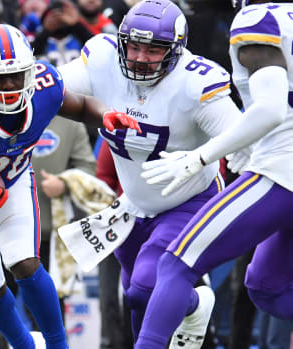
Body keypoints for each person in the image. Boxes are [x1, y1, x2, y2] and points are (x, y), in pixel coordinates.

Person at [0, 23, 140, 349]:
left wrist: (105, 114)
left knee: (24, 260)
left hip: (13, 182)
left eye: (17, 75)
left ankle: (57, 345)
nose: (9, 86)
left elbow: (79, 106)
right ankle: (22, 345)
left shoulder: (44, 86)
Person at [56, 0, 244, 346]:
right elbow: (49, 87)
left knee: (147, 284)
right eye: (135, 46)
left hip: (189, 199)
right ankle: (191, 308)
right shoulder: (104, 60)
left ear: (176, 50)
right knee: (136, 297)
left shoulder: (196, 83)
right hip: (133, 204)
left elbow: (241, 138)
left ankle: (196, 302)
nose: (141, 57)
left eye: (155, 49)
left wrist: (203, 159)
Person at [133, 0, 293, 347]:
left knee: (176, 264)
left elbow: (270, 110)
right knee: (266, 286)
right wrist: (251, 144)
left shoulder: (260, 19)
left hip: (283, 174)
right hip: (279, 162)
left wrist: (201, 156)